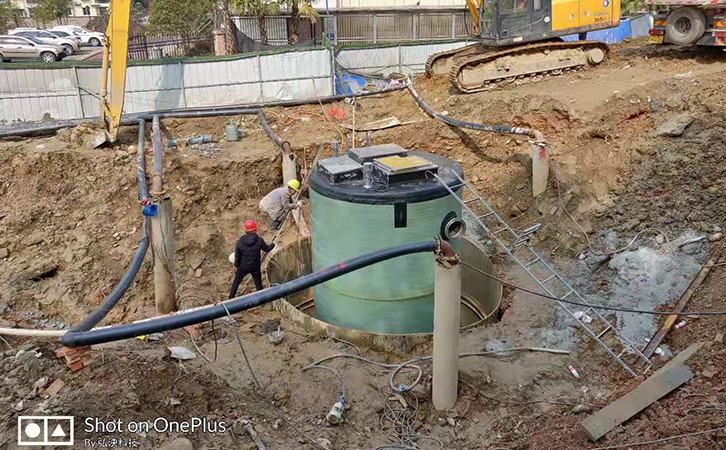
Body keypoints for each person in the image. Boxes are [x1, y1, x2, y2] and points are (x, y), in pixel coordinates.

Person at [228, 220, 275, 298]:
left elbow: (237, 255)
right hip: (255, 266)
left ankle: (230, 299)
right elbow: (266, 249)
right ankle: (262, 301)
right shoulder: (259, 240)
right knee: (258, 284)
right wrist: (272, 244)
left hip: (243, 267)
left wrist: (236, 265)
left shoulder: (240, 241)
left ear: (246, 230)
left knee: (236, 282)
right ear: (255, 229)